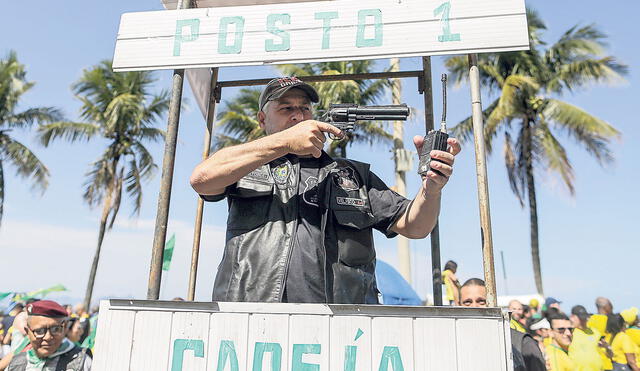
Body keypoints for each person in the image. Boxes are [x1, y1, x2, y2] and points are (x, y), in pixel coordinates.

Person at [190, 76, 460, 304]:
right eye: (286, 109)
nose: (298, 115)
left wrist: (432, 189)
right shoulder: (244, 165)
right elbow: (201, 179)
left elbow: (416, 227)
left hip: (339, 327)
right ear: (262, 119)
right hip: (251, 315)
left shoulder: (352, 175)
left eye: (304, 108)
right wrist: (285, 142)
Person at [459, 278, 545, 371]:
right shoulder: (454, 343)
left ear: (492, 302)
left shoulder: (522, 343)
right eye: (467, 302)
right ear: (458, 304)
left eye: (481, 301)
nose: (474, 307)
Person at [5, 300, 91, 371]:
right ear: (27, 332)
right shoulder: (17, 364)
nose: (48, 337)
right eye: (39, 331)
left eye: (55, 329)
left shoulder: (81, 361)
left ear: (64, 329)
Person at [569, 305, 605, 371]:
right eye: (581, 319)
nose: (584, 321)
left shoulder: (595, 332)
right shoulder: (569, 333)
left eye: (585, 318)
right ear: (572, 317)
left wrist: (607, 347)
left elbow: (608, 354)